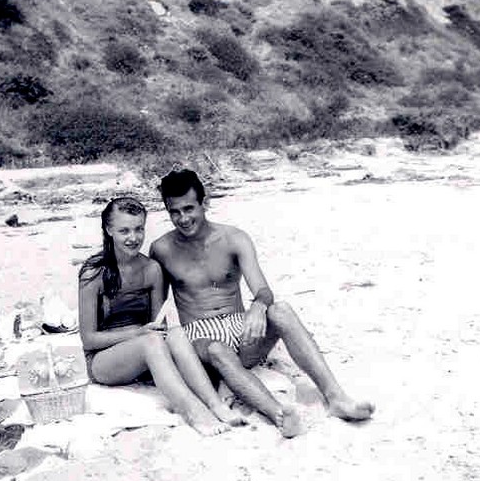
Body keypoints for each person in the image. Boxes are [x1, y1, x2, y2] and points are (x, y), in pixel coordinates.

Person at [150, 170, 375, 438]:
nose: (183, 218)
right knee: (218, 349)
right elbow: (157, 310)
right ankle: (278, 414)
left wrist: (258, 306)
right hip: (200, 335)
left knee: (281, 310)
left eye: (189, 208)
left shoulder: (234, 238)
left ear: (204, 203)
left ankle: (336, 397)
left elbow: (263, 290)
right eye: (174, 212)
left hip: (240, 327)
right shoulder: (162, 249)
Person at [78, 196, 245, 436]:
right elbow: (89, 339)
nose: (133, 237)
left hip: (145, 349)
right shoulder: (93, 273)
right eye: (124, 231)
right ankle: (193, 412)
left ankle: (215, 404)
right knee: (151, 341)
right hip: (104, 361)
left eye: (139, 229)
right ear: (109, 230)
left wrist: (153, 333)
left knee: (174, 333)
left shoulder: (152, 269)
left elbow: (158, 325)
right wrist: (138, 333)